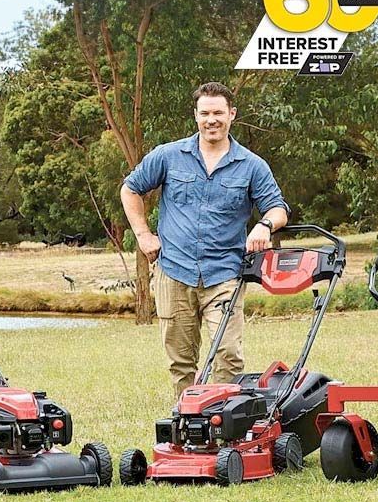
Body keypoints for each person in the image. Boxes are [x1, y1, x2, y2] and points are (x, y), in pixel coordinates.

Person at [120, 81, 289, 397]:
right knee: (181, 362)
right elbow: (130, 189)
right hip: (174, 271)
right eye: (205, 113)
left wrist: (264, 225)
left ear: (232, 114)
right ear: (196, 116)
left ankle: (223, 422)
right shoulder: (168, 156)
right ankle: (187, 426)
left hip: (224, 274)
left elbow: (278, 209)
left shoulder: (252, 165)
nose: (212, 120)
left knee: (228, 354)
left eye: (219, 113)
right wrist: (143, 235)